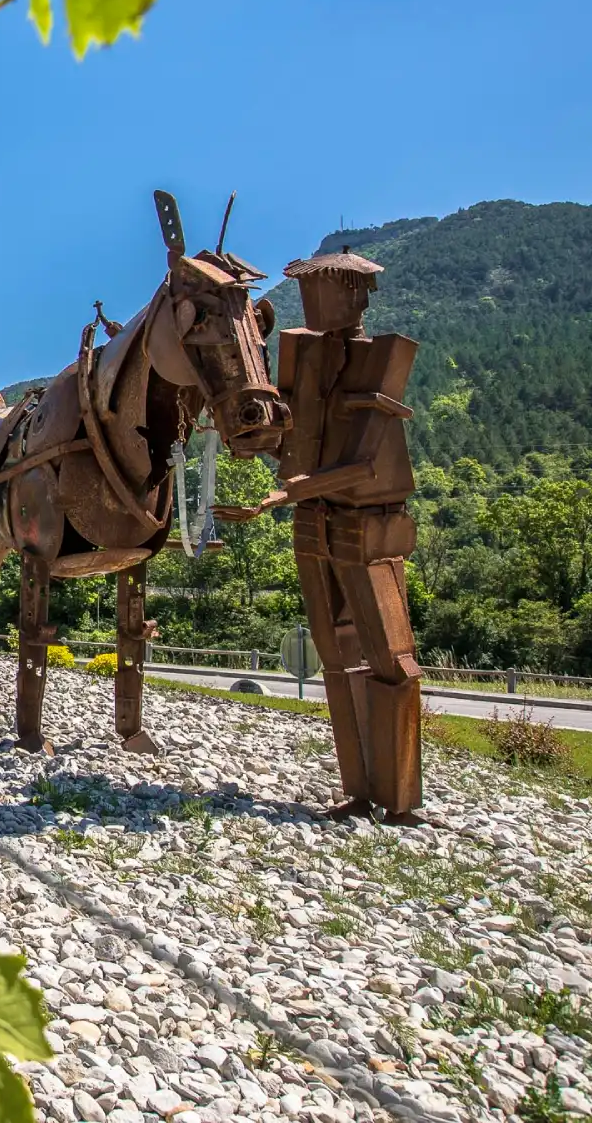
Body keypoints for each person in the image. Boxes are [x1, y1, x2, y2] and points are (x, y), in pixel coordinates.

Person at [217, 249, 424, 822]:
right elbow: (283, 434)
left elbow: (361, 464)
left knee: (390, 659)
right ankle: (358, 790)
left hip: (370, 523)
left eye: (321, 289)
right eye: (305, 290)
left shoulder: (385, 357)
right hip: (313, 522)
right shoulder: (302, 354)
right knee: (337, 658)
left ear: (358, 293)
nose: (307, 300)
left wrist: (285, 494)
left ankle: (402, 798)